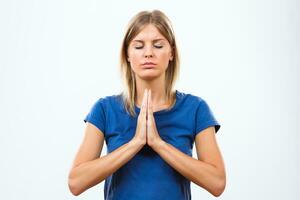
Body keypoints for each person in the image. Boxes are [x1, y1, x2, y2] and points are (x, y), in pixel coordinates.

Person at [68, 10, 226, 199]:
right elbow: (76, 183)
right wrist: (135, 143)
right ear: (127, 54)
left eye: (158, 45)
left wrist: (158, 144)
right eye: (139, 46)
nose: (148, 53)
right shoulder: (104, 109)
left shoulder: (196, 109)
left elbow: (217, 183)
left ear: (171, 53)